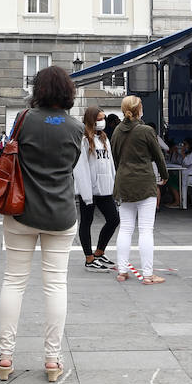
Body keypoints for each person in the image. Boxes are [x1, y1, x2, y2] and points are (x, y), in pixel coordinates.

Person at [0, 65, 82, 384]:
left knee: (14, 281)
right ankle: (52, 360)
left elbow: (10, 152)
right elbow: (70, 167)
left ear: (38, 89)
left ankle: (6, 357)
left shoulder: (24, 120)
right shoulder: (75, 128)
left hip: (21, 211)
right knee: (56, 285)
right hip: (60, 214)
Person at [110, 97, 168, 285]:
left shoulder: (117, 131)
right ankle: (148, 274)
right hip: (144, 181)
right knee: (145, 230)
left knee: (125, 228)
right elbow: (158, 156)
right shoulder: (146, 131)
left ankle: (122, 270)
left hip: (124, 181)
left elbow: (115, 156)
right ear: (139, 109)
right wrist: (164, 174)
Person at [72, 105, 118, 272]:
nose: (103, 122)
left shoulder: (104, 138)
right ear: (91, 120)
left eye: (103, 118)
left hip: (105, 188)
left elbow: (110, 163)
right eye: (99, 119)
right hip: (89, 189)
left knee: (114, 219)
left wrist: (114, 185)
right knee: (86, 222)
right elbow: (80, 167)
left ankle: (99, 252)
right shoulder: (83, 140)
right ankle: (89, 258)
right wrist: (85, 192)